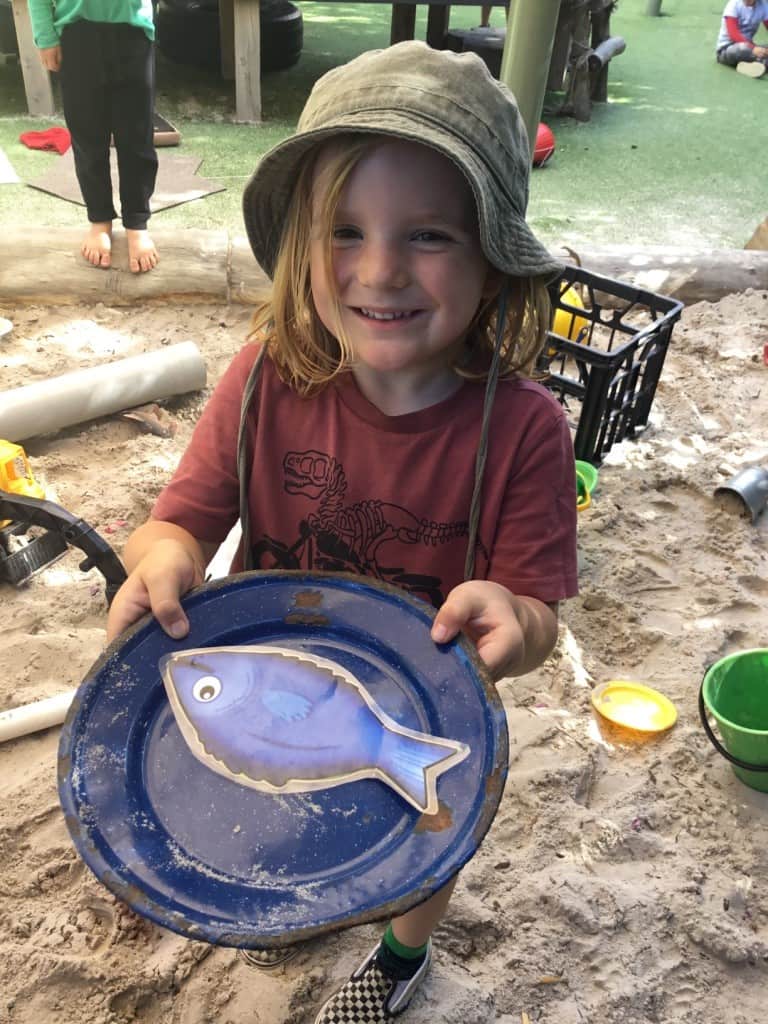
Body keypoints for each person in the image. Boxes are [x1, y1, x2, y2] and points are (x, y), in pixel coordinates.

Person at [106, 40, 578, 1022]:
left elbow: (532, 615)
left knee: (439, 821)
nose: (381, 269)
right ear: (301, 246)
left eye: (431, 236)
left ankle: (403, 954)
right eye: (346, 231)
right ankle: (310, 885)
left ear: (491, 259)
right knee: (289, 804)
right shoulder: (262, 381)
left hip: (424, 705)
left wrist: (510, 619)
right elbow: (177, 526)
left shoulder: (523, 425)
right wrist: (163, 560)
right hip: (275, 682)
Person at [27, 0, 159, 272]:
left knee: (137, 137)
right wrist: (45, 36)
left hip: (132, 31)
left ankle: (136, 221)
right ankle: (99, 219)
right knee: (88, 138)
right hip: (77, 35)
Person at [715, 0, 768, 78]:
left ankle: (751, 65)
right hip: (727, 49)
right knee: (743, 48)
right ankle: (763, 62)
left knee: (764, 48)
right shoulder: (733, 4)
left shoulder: (763, 5)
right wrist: (753, 48)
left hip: (750, 49)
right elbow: (733, 34)